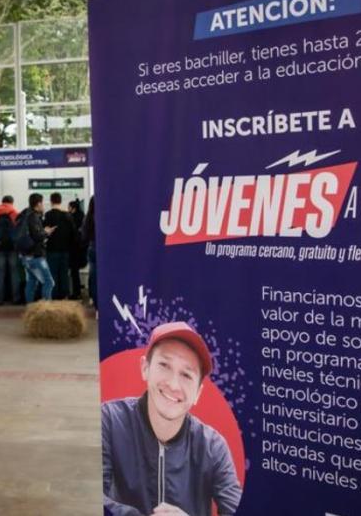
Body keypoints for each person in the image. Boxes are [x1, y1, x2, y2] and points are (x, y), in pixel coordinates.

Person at [102, 322, 241, 516]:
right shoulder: (109, 421)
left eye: (186, 374)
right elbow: (94, 495)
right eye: (164, 365)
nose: (173, 384)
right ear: (145, 368)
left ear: (198, 393)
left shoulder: (213, 446)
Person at [16, 193, 55, 303]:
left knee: (31, 282)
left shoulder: (25, 214)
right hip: (36, 256)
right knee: (49, 282)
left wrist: (43, 231)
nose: (43, 205)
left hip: (25, 256)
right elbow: (37, 236)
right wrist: (46, 232)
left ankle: (30, 309)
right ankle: (46, 310)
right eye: (42, 203)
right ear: (38, 204)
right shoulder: (33, 217)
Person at [43, 193, 76, 300]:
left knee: (52, 273)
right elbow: (73, 232)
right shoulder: (67, 215)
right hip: (65, 249)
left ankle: (54, 295)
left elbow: (44, 231)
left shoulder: (48, 215)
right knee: (64, 273)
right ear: (61, 201)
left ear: (51, 201)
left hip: (52, 249)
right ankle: (64, 295)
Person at [67, 200, 87, 300]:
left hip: (73, 249)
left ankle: (75, 292)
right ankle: (78, 291)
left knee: (73, 272)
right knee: (76, 272)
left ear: (72, 208)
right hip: (81, 249)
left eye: (69, 207)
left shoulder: (71, 218)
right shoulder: (83, 216)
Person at [83, 196, 97, 304]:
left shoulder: (88, 218)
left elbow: (85, 235)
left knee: (93, 275)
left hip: (92, 247)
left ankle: (93, 298)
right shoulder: (104, 216)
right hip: (102, 247)